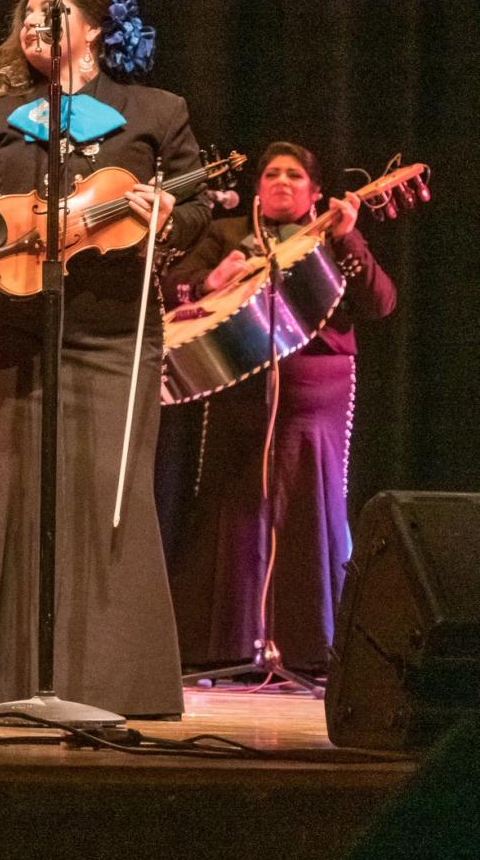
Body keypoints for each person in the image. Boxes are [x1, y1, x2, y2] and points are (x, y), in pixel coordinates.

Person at [0, 0, 211, 717]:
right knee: (16, 485)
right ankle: (9, 679)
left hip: (113, 333)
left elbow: (198, 205)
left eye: (56, 10)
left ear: (99, 28)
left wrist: (167, 210)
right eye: (29, 13)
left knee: (110, 491)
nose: (36, 23)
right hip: (14, 331)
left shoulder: (154, 111)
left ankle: (115, 683)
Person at [158, 142, 396, 674]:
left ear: (315, 193)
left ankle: (313, 649)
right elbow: (171, 292)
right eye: (271, 174)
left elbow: (381, 302)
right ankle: (230, 648)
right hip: (239, 387)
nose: (281, 182)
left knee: (308, 506)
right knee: (234, 505)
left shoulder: (329, 238)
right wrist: (208, 283)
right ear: (257, 188)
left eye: (294, 175)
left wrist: (348, 236)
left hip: (316, 390)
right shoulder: (225, 234)